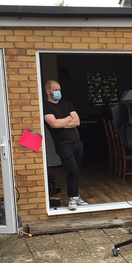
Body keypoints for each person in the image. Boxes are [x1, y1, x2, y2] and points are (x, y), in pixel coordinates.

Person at [42, 80, 86, 211]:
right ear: (48, 91)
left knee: (76, 171)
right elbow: (54, 124)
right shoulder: (46, 107)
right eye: (55, 90)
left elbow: (77, 121)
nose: (58, 92)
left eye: (59, 90)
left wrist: (61, 122)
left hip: (76, 142)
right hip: (63, 145)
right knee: (72, 169)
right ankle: (72, 198)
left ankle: (76, 196)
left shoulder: (67, 104)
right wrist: (68, 118)